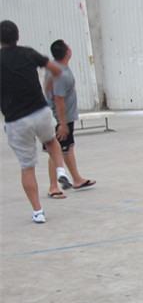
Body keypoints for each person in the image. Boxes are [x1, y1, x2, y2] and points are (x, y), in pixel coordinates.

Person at [0, 20, 71, 223]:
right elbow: (56, 70)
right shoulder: (28, 53)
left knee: (27, 166)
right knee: (51, 142)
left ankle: (38, 211)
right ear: (17, 36)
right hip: (39, 111)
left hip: (15, 120)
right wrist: (47, 84)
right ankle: (60, 171)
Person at [43, 40, 96, 198]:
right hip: (60, 117)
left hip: (63, 116)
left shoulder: (55, 66)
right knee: (55, 150)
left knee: (67, 148)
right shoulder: (61, 74)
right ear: (67, 52)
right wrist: (62, 123)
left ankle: (77, 179)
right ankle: (53, 187)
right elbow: (58, 99)